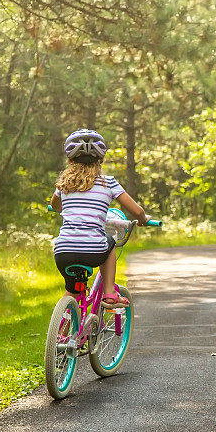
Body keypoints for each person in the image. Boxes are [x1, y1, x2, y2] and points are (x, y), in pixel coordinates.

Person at [50, 129, 149, 307]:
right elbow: (136, 211)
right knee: (109, 242)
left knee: (73, 290)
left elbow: (56, 206)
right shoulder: (108, 182)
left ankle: (60, 332)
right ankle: (109, 292)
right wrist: (143, 219)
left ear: (70, 160)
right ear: (100, 159)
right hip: (93, 250)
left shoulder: (64, 184)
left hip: (63, 251)